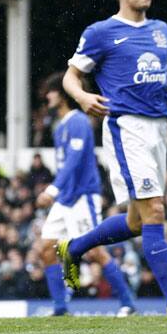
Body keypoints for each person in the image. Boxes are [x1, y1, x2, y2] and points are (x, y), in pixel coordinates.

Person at [58, 0, 167, 319]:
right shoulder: (101, 32)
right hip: (126, 127)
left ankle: (74, 248)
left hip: (159, 127)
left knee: (137, 222)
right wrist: (82, 98)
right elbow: (71, 77)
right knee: (155, 209)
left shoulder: (161, 30)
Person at [35, 72, 135, 317]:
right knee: (46, 247)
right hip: (66, 198)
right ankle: (60, 308)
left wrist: (52, 189)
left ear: (62, 94)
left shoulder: (79, 121)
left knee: (94, 251)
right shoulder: (60, 127)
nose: (47, 96)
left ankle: (128, 303)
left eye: (51, 90)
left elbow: (75, 159)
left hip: (82, 196)